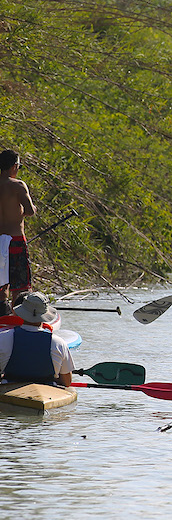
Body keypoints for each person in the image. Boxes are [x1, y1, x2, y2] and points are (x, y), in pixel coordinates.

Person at [0, 292, 74, 386]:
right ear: (45, 315)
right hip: (48, 392)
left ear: (22, 312)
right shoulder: (59, 343)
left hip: (9, 391)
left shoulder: (2, 338)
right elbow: (67, 382)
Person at [0, 150, 36, 314]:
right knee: (19, 284)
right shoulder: (17, 185)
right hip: (15, 240)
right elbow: (30, 211)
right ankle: (17, 317)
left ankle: (2, 313)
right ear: (14, 166)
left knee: (1, 281)